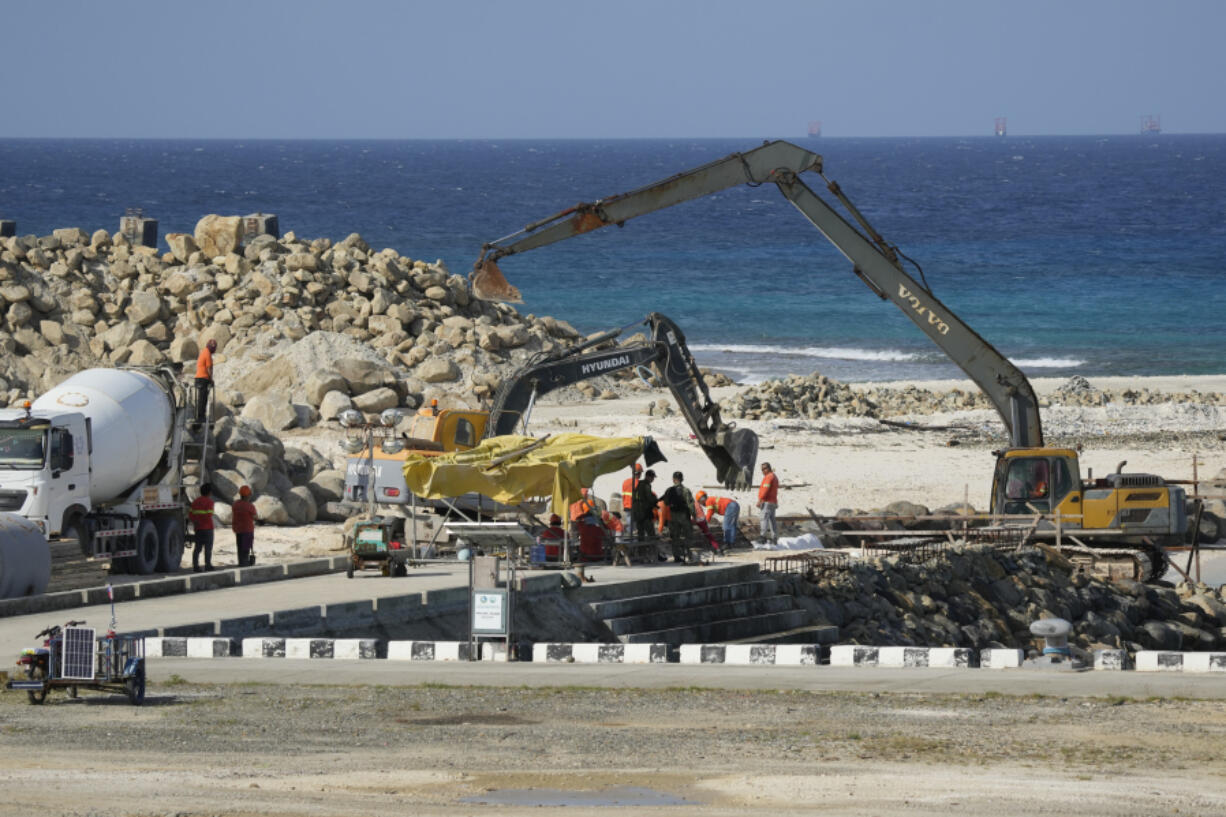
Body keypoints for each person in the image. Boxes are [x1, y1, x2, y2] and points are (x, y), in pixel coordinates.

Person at [660, 471, 695, 563]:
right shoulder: (686, 490)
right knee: (688, 535)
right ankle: (689, 554)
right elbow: (690, 504)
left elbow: (665, 502)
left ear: (673, 479)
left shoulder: (669, 490)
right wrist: (693, 515)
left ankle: (677, 556)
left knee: (675, 536)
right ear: (682, 479)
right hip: (684, 515)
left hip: (673, 516)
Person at [189, 482, 215, 572]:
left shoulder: (195, 502)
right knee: (208, 548)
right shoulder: (210, 502)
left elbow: (191, 515)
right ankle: (208, 565)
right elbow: (209, 514)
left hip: (198, 528)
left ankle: (195, 566)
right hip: (208, 528)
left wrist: (196, 522)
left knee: (197, 548)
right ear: (209, 493)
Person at [231, 485, 258, 567]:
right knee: (246, 548)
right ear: (248, 495)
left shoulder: (235, 504)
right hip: (247, 529)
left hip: (238, 529)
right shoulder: (250, 506)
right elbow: (255, 516)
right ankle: (245, 563)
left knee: (239, 547)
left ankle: (241, 562)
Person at [194, 338, 218, 427]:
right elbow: (209, 368)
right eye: (214, 346)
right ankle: (200, 417)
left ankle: (200, 417)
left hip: (199, 378)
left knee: (201, 399)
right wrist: (211, 380)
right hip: (203, 378)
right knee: (203, 399)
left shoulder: (204, 351)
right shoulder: (207, 353)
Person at [631, 469, 657, 541]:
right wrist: (655, 501)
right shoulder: (646, 485)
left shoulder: (639, 484)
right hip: (644, 513)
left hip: (637, 513)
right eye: (652, 477)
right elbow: (649, 499)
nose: (653, 479)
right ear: (648, 477)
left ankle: (641, 551)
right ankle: (653, 550)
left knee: (640, 534)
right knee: (651, 534)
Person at [757, 462, 779, 544]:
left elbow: (765, 489)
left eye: (764, 469)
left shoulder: (768, 477)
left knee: (764, 518)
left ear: (768, 468)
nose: (763, 471)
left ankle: (762, 537)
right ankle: (774, 537)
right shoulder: (774, 477)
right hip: (773, 501)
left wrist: (760, 499)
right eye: (762, 470)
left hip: (767, 501)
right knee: (772, 520)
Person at [621, 463, 643, 538]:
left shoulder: (625, 482)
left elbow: (623, 495)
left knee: (629, 523)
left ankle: (629, 536)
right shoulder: (639, 484)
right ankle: (634, 539)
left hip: (627, 506)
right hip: (635, 507)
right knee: (635, 526)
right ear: (639, 473)